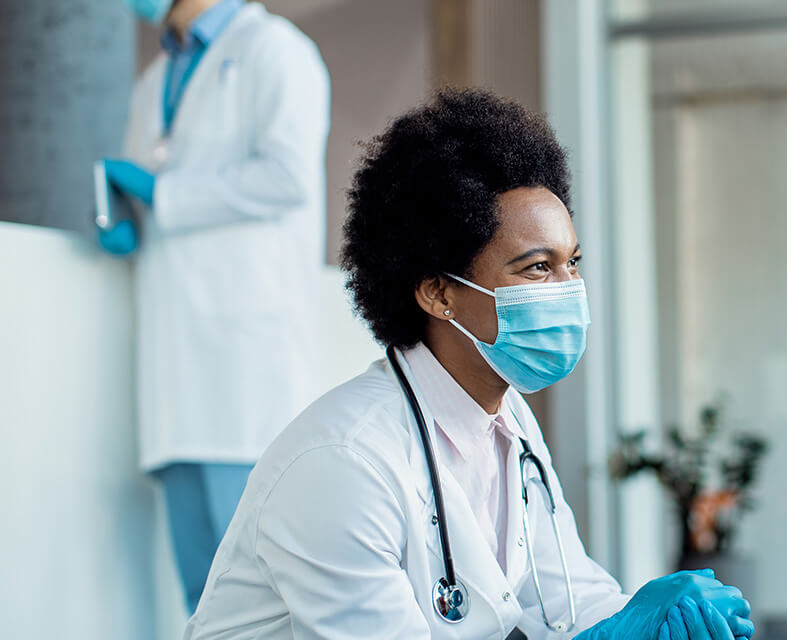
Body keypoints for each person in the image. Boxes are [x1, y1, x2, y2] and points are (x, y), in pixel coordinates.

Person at [184, 88, 754, 640]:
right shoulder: (343, 462)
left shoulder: (510, 426)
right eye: (536, 268)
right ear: (437, 292)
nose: (568, 291)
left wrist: (648, 619)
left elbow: (567, 605)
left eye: (572, 263)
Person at [103, 0, 330, 613]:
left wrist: (166, 195)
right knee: (202, 602)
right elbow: (155, 195)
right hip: (173, 373)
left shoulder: (275, 51)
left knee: (263, 600)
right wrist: (128, 216)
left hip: (244, 370)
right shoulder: (154, 81)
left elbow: (288, 177)